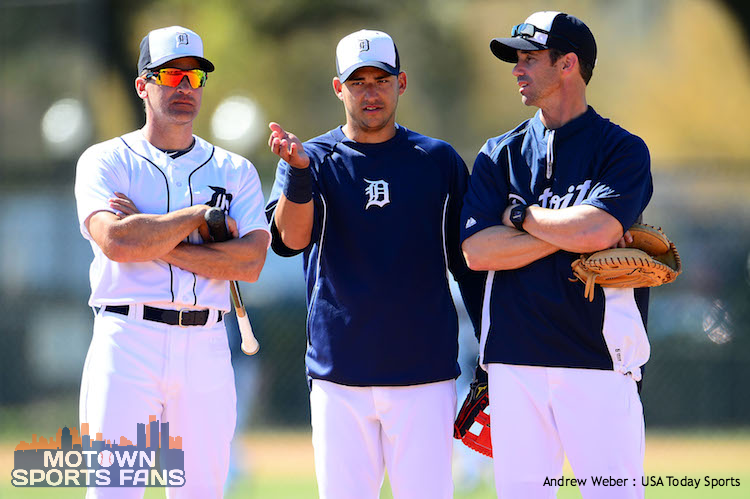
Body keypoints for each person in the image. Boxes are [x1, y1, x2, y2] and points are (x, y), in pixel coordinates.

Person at [265, 29, 484, 499]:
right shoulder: (312, 158)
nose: (370, 92)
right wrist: (299, 175)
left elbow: (468, 262)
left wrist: (492, 342)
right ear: (338, 87)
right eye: (358, 81)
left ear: (401, 82)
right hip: (338, 371)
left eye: (380, 79)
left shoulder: (437, 160)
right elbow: (289, 239)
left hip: (424, 373)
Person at [461, 12, 653, 499]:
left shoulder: (622, 150)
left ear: (568, 63)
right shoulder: (497, 154)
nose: (516, 69)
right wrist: (571, 232)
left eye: (529, 57)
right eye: (516, 59)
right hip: (513, 360)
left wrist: (522, 216)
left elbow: (598, 228)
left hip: (597, 358)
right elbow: (479, 251)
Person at [74, 25, 270, 498]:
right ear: (143, 85)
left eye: (194, 77)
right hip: (127, 340)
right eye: (170, 75)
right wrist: (197, 218)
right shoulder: (105, 160)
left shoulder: (235, 169)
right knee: (114, 491)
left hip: (205, 342)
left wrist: (153, 230)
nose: (184, 87)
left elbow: (249, 262)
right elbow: (117, 241)